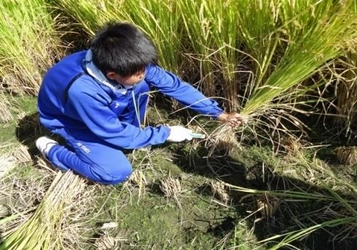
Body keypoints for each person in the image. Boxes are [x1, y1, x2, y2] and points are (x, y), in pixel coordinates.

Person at [36, 22, 242, 185]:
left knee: (140, 88)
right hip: (71, 120)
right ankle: (52, 150)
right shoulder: (82, 90)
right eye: (139, 72)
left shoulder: (131, 62)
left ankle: (135, 136)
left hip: (100, 109)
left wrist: (219, 114)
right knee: (114, 172)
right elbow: (112, 132)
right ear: (112, 74)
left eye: (146, 68)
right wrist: (165, 133)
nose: (145, 73)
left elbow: (175, 86)